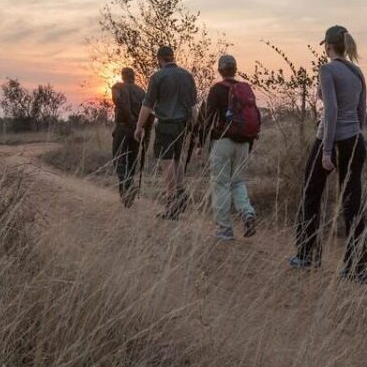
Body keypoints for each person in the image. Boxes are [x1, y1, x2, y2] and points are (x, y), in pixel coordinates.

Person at [288, 25, 367, 284]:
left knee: (311, 193)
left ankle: (307, 254)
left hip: (331, 140)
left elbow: (331, 111)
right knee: (352, 203)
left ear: (328, 46)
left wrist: (326, 150)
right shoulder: (357, 72)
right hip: (355, 140)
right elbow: (361, 111)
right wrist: (355, 133)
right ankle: (357, 268)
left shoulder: (327, 69)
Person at [134, 45, 198, 220]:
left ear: (159, 59)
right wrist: (196, 128)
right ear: (173, 57)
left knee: (166, 161)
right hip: (183, 125)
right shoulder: (187, 76)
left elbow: (147, 104)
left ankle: (172, 200)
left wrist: (139, 127)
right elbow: (193, 106)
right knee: (178, 158)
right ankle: (180, 190)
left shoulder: (157, 77)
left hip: (166, 124)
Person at [200, 54, 258, 241]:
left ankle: (224, 229)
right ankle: (247, 212)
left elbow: (208, 118)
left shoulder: (217, 89)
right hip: (243, 143)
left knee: (221, 184)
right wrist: (249, 144)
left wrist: (201, 143)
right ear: (235, 69)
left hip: (222, 142)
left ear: (220, 70)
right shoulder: (245, 89)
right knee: (238, 182)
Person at [111, 67, 147, 208]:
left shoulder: (117, 87)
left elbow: (117, 100)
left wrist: (129, 117)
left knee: (119, 159)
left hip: (122, 127)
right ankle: (127, 192)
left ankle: (127, 186)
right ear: (134, 76)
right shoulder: (142, 92)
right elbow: (148, 110)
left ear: (122, 76)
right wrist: (144, 130)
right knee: (132, 160)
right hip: (137, 129)